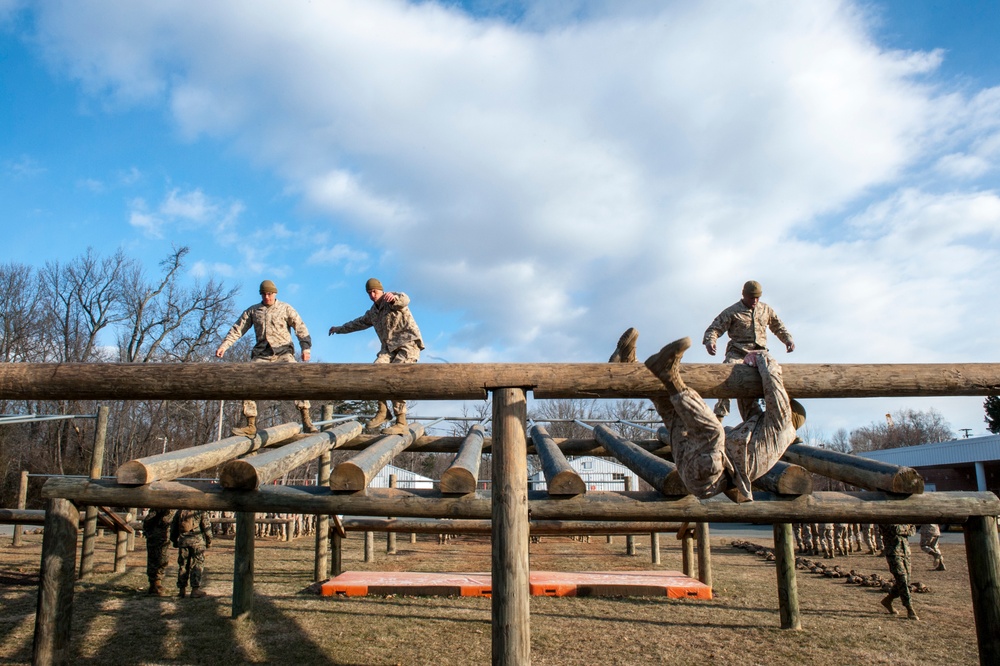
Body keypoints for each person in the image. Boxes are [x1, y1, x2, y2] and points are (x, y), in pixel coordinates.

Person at [644, 336, 805, 503]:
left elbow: (774, 386)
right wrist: (747, 366)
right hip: (696, 469)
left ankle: (669, 374)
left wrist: (762, 356)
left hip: (709, 476)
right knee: (675, 417)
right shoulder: (767, 428)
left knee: (713, 432)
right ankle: (630, 362)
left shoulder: (782, 426)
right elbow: (748, 405)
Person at [215, 280, 317, 437]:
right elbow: (238, 329)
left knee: (297, 378)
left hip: (283, 353)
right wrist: (224, 346)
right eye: (264, 294)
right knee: (247, 379)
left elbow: (301, 328)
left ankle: (306, 420)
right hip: (262, 355)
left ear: (275, 294)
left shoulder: (285, 308)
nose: (267, 297)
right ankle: (250, 423)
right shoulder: (254, 311)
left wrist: (306, 348)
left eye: (269, 294)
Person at [328, 278, 424, 434]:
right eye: (369, 293)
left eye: (375, 291)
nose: (372, 295)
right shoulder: (373, 312)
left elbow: (405, 299)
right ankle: (383, 411)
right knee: (375, 372)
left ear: (382, 290)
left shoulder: (392, 298)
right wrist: (339, 329)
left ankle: (401, 421)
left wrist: (394, 298)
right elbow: (357, 323)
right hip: (388, 349)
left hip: (407, 344)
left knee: (396, 376)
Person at [703, 280, 795, 421]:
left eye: (758, 297)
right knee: (727, 375)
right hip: (738, 352)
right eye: (752, 297)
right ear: (744, 295)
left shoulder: (765, 309)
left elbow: (778, 326)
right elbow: (714, 328)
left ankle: (779, 416)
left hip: (760, 352)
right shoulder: (733, 311)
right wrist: (710, 341)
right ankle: (719, 416)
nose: (755, 300)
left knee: (773, 373)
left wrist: (787, 339)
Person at [878, 523, 919, 620]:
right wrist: (907, 528)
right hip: (893, 553)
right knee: (902, 578)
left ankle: (888, 600)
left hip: (905, 551)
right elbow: (895, 529)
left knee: (906, 581)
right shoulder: (885, 517)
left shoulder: (902, 519)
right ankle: (909, 608)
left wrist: (906, 528)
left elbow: (913, 530)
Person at [170, 508, 212, 598]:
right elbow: (206, 526)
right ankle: (195, 590)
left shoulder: (180, 511)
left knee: (183, 565)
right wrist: (209, 540)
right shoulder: (200, 511)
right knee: (197, 565)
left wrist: (174, 540)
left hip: (183, 541)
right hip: (197, 542)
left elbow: (173, 526)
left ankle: (182, 589)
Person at [142, 507, 174, 596]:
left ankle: (157, 582)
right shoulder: (155, 510)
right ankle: (154, 584)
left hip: (164, 538)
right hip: (154, 537)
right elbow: (148, 521)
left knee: (163, 559)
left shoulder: (171, 511)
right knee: (154, 559)